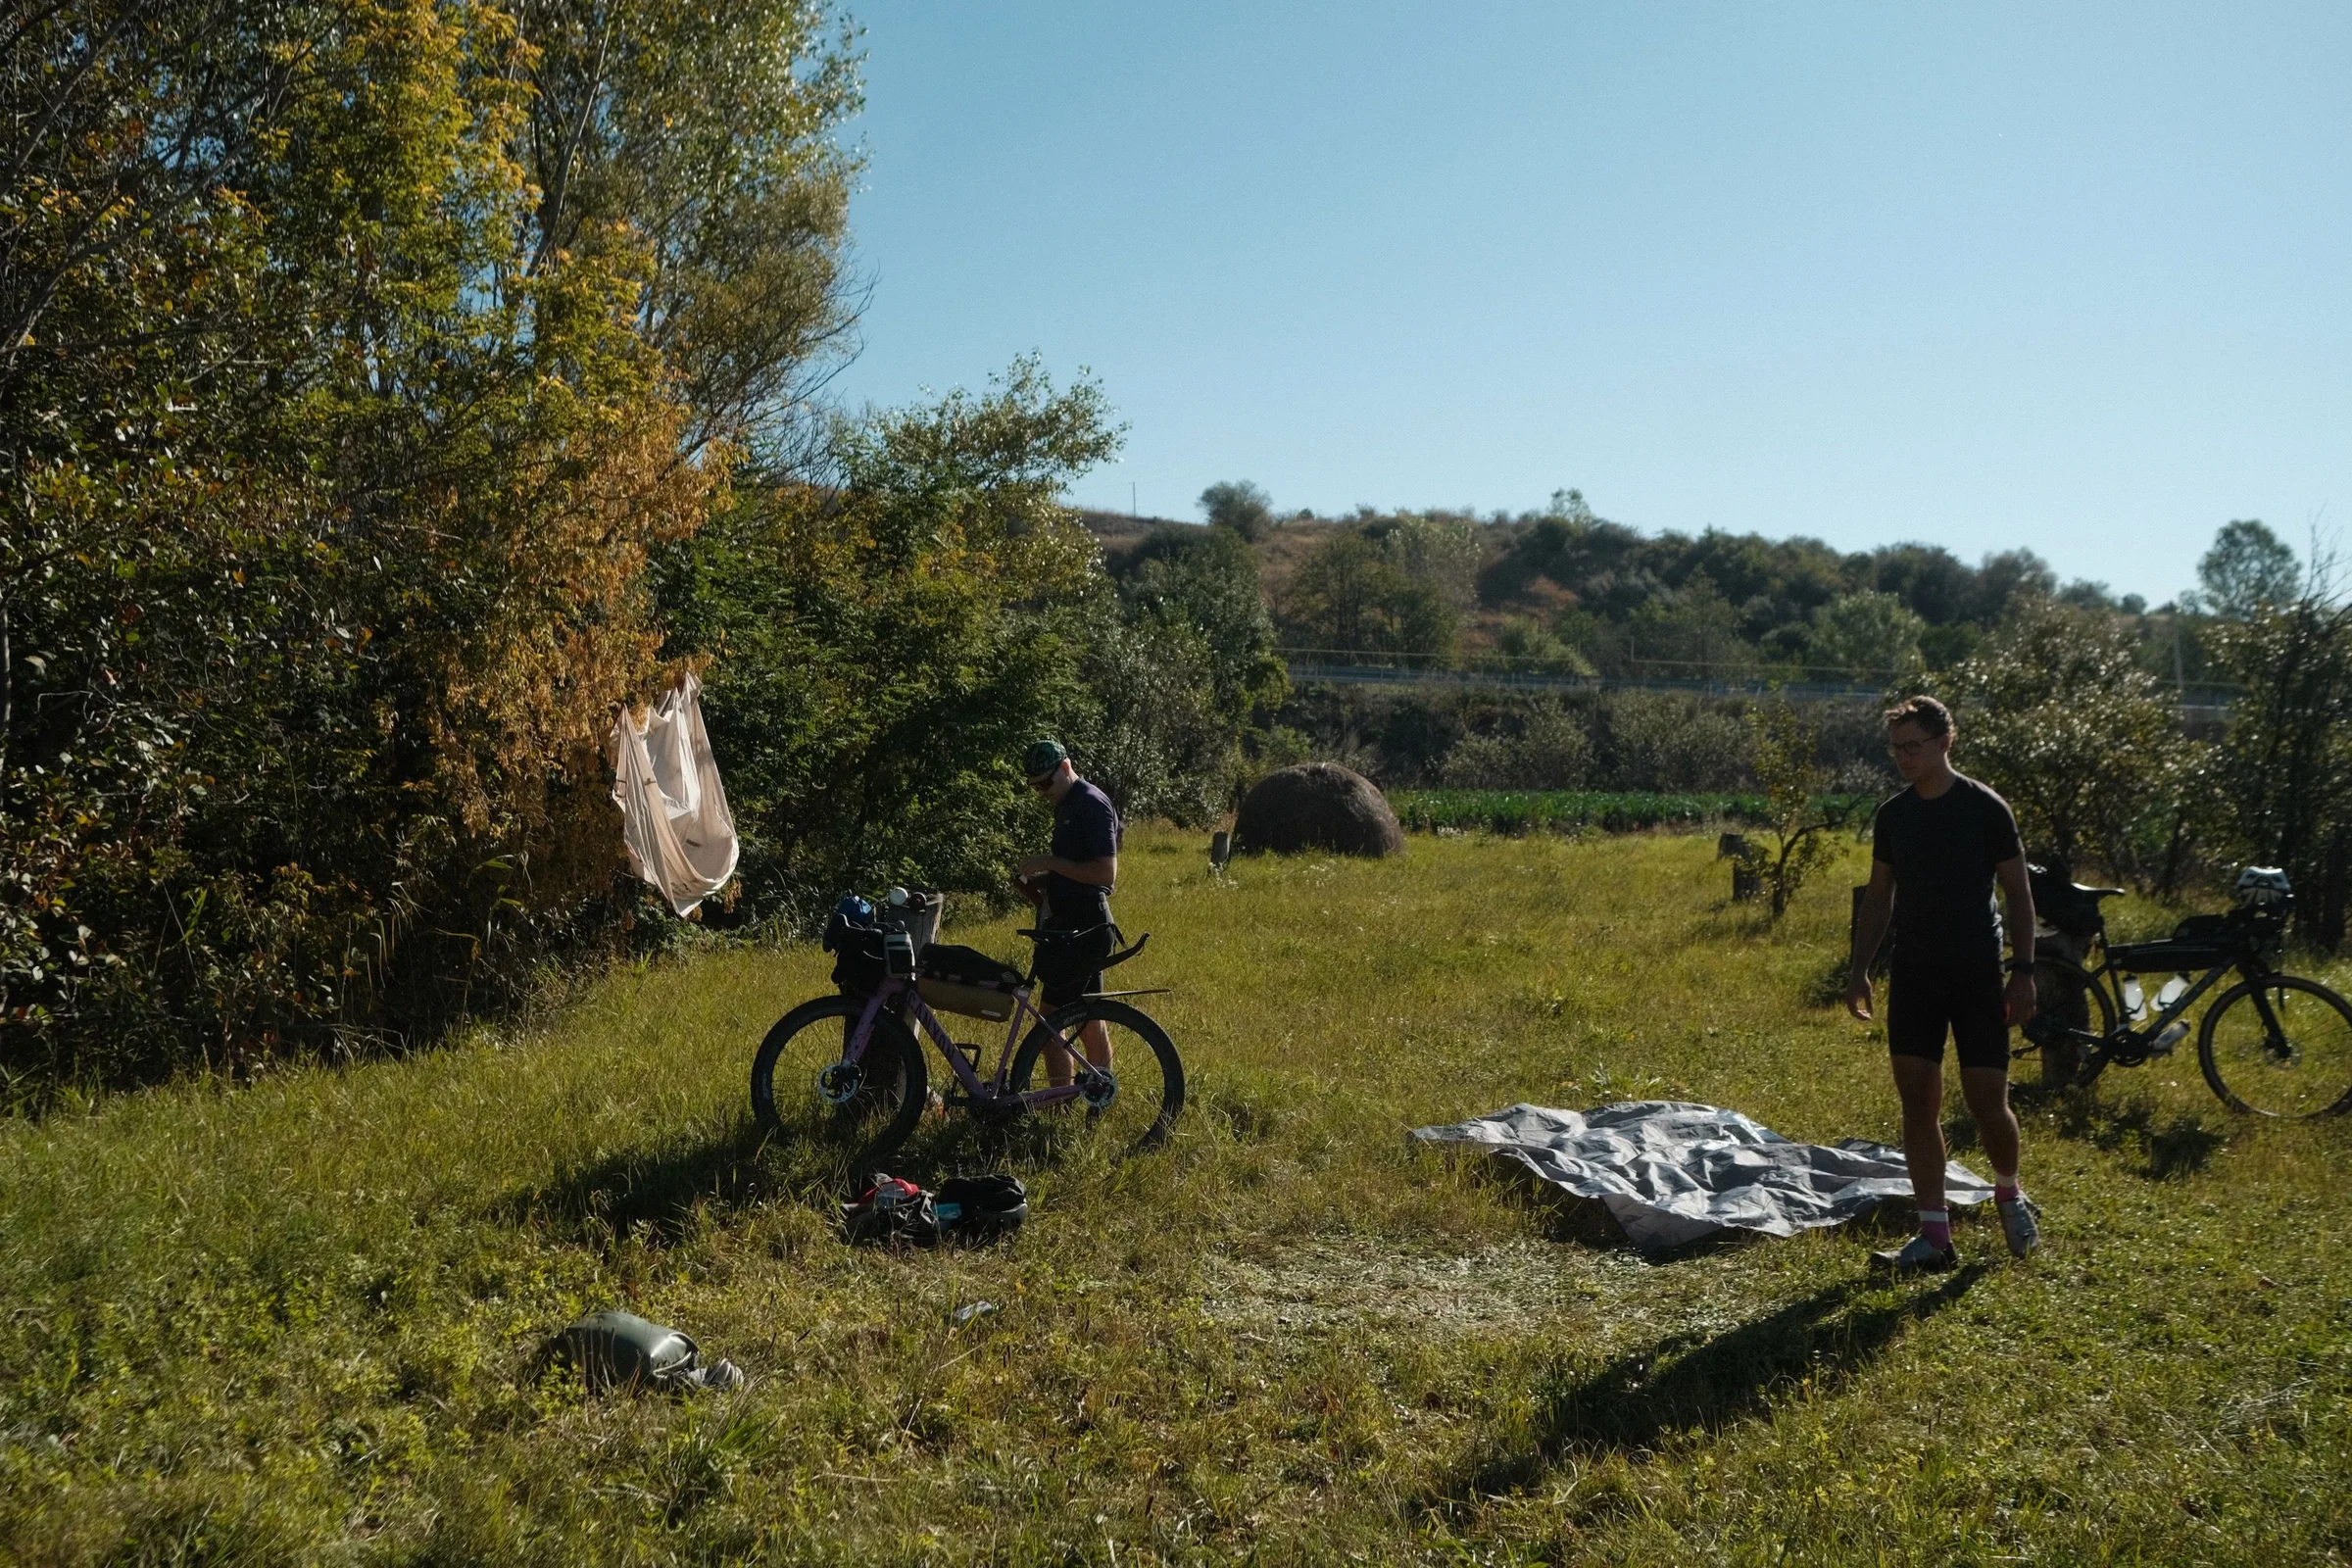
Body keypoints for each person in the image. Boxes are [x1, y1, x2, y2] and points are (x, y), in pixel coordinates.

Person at [1845, 695, 2042, 1271]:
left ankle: (2009, 1191)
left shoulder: (1985, 808)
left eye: (1914, 746)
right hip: (1915, 974)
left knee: (1986, 1102)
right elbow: (1879, 897)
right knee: (1917, 1102)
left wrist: (2024, 972)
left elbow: (2018, 895)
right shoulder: (1894, 815)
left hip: (1977, 972)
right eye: (1896, 749)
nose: (1904, 758)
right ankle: (1934, 1235)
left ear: (1944, 743)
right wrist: (1859, 969)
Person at [1011, 738, 1119, 1087]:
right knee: (1088, 1018)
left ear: (1066, 767)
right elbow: (1072, 871)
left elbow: (1105, 874)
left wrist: (1049, 862)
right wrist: (1035, 882)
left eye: (1046, 783)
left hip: (1085, 926)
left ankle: (1060, 1101)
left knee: (1049, 1021)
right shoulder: (1066, 804)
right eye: (1035, 787)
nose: (1042, 792)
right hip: (1070, 923)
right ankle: (1100, 1092)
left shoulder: (1091, 804)